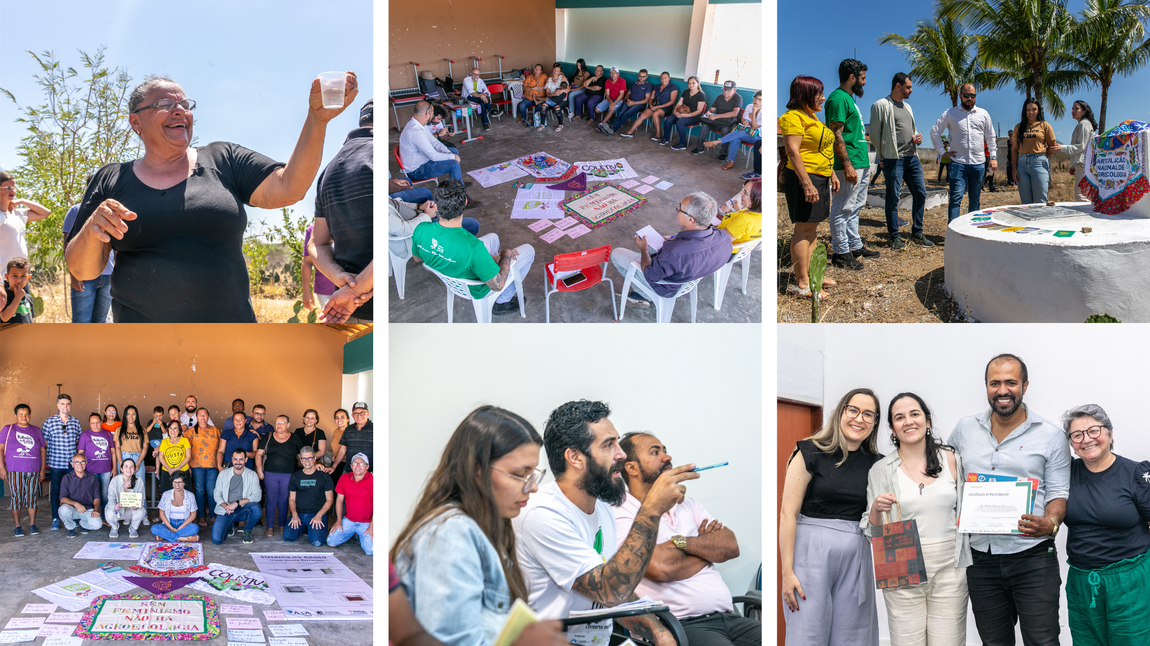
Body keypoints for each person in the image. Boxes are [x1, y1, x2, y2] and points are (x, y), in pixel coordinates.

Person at [64, 72, 358, 322]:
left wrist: (317, 121)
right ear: (135, 122)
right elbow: (82, 269)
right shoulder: (111, 178)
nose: (180, 110)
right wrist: (93, 230)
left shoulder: (223, 159)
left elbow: (289, 188)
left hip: (230, 337)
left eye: (184, 104)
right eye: (165, 104)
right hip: (142, 344)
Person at [513, 398, 698, 646]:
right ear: (575, 458)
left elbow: (618, 588)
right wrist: (652, 509)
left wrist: (658, 631)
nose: (621, 454)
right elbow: (609, 591)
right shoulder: (542, 512)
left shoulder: (603, 507)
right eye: (609, 445)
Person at [391, 406, 555, 646]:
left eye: (534, 474)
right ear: (477, 470)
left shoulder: (489, 526)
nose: (533, 487)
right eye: (520, 474)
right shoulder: (452, 532)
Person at [947, 354, 1069, 646]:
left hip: (1033, 557)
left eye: (1011, 382)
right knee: (994, 642)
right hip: (981, 559)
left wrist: (1051, 523)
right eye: (995, 383)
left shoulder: (1051, 436)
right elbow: (942, 473)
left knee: (1042, 641)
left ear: (1025, 385)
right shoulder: (964, 429)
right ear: (986, 387)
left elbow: (1058, 493)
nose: (1003, 390)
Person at [614, 432, 759, 646]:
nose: (667, 457)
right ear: (632, 468)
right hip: (682, 625)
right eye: (655, 452)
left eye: (665, 449)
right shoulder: (620, 511)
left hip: (730, 618)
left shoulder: (688, 504)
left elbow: (730, 546)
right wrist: (707, 553)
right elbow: (659, 567)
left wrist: (680, 542)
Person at [863, 393, 969, 646]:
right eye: (899, 417)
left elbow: (967, 513)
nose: (908, 421)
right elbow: (871, 530)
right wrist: (877, 509)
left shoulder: (952, 459)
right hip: (902, 560)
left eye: (914, 414)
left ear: (927, 420)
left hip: (950, 565)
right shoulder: (881, 469)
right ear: (892, 428)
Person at [780, 388, 883, 645]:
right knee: (808, 634)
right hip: (810, 555)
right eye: (853, 410)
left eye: (868, 414)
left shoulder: (878, 464)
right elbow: (788, 514)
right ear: (841, 412)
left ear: (875, 423)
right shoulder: (809, 452)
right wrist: (787, 572)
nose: (859, 419)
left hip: (857, 556)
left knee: (855, 636)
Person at [1060, 403, 1150, 644]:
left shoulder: (1136, 474)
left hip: (1130, 582)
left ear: (1109, 433)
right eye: (1077, 435)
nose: (1086, 439)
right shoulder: (1065, 473)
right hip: (1082, 582)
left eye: (1094, 430)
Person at [413, 180, 535, 315]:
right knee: (529, 250)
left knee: (493, 237)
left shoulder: (421, 228)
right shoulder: (472, 246)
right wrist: (506, 254)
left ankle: (487, 265)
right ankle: (502, 302)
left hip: (451, 275)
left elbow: (417, 258)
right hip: (477, 289)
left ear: (436, 206)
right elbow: (498, 285)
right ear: (465, 202)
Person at [309, 101, 375, 325]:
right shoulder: (376, 155)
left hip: (345, 309)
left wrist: (339, 277)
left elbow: (316, 244)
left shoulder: (328, 170)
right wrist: (358, 288)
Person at [611, 192, 732, 309]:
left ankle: (645, 294)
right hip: (689, 278)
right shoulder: (723, 238)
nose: (677, 212)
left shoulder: (675, 252)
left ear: (691, 220)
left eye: (680, 210)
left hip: (666, 286)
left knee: (616, 253)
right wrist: (675, 239)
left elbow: (650, 274)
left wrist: (644, 249)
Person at [781, 75, 839, 299]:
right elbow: (793, 151)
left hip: (820, 177)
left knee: (812, 229)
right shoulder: (793, 117)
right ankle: (803, 283)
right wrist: (806, 183)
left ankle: (813, 273)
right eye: (819, 94)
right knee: (803, 230)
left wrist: (831, 172)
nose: (823, 98)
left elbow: (821, 150)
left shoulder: (813, 118)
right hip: (804, 178)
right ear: (804, 94)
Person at [825, 59, 879, 270]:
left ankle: (854, 245)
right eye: (862, 78)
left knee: (855, 206)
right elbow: (836, 133)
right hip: (849, 163)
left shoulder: (849, 99)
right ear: (851, 77)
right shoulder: (838, 99)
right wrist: (846, 165)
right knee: (842, 207)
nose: (864, 83)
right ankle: (840, 252)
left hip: (861, 161)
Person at [870, 73, 931, 250]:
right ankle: (894, 236)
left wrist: (917, 138)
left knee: (920, 194)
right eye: (908, 87)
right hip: (893, 159)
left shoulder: (908, 107)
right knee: (893, 198)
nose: (911, 90)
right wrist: (882, 156)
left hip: (912, 158)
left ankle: (917, 233)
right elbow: (874, 135)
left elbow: (911, 129)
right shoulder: (880, 105)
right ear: (898, 86)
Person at [929, 83, 997, 223]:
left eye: (972, 96)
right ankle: (953, 232)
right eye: (966, 95)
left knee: (975, 199)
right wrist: (942, 152)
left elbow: (991, 137)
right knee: (955, 199)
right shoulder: (950, 113)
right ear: (960, 96)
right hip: (957, 164)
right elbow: (934, 132)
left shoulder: (983, 114)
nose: (969, 98)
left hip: (978, 164)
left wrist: (993, 156)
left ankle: (972, 231)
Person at [62, 194, 114, 323]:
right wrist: (74, 275)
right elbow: (67, 244)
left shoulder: (111, 212)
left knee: (100, 321)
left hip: (108, 276)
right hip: (83, 277)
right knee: (81, 322)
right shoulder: (76, 210)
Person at [1, 404, 47, 537]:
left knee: (32, 497)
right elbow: (0, 449)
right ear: (16, 415)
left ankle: (32, 524)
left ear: (30, 415)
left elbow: (42, 451)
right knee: (16, 498)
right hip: (15, 470)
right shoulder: (8, 429)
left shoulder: (36, 430)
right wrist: (1, 468)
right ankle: (17, 526)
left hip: (33, 470)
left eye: (26, 414)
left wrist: (42, 469)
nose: (24, 417)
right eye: (20, 414)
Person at [257, 414, 304, 538]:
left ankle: (282, 525)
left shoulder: (295, 438)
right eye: (277, 422)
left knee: (284, 500)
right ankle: (270, 527)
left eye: (282, 423)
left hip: (289, 474)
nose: (279, 425)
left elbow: (302, 455)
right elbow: (258, 454)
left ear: (288, 425)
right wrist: (259, 470)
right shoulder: (268, 436)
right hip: (270, 473)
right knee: (271, 500)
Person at [1010, 98, 1061, 205]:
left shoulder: (1045, 126)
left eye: (1034, 109)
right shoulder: (1018, 127)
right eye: (1028, 110)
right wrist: (1014, 168)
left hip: (1039, 163)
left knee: (1041, 201)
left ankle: (1042, 221)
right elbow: (1014, 149)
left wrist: (1041, 156)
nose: (1031, 112)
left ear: (1038, 111)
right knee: (1026, 202)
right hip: (1021, 165)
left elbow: (1052, 147)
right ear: (1024, 111)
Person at [43, 394, 82, 532]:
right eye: (63, 404)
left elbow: (79, 442)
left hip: (71, 465)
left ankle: (73, 517)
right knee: (56, 491)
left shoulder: (75, 422)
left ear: (70, 405)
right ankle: (55, 518)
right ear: (58, 405)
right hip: (56, 463)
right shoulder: (49, 422)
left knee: (73, 491)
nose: (65, 406)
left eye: (68, 404)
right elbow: (45, 443)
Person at [0, 172, 51, 274]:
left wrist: (23, 201)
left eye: (14, 187)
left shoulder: (17, 213)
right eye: (7, 187)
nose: (12, 191)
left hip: (22, 276)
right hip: (3, 277)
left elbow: (45, 213)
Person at [285, 445, 334, 547]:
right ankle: (305, 527)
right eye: (303, 458)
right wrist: (294, 515)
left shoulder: (324, 476)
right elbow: (291, 499)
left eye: (309, 458)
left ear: (315, 459)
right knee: (288, 537)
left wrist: (319, 515)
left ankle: (310, 528)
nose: (307, 461)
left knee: (317, 542)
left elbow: (330, 499)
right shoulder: (295, 476)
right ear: (300, 459)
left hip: (317, 514)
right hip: (299, 514)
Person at [211, 447, 263, 545]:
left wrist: (237, 503)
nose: (238, 462)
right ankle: (229, 525)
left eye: (241, 459)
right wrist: (225, 506)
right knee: (217, 540)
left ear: (246, 460)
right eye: (235, 459)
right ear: (232, 459)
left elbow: (257, 496)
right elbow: (217, 493)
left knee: (256, 508)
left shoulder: (252, 475)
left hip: (242, 510)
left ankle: (247, 530)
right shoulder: (223, 474)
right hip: (225, 510)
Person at [327, 452, 373, 554]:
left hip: (367, 523)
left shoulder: (374, 480)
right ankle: (353, 533)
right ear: (351, 466)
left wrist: (372, 526)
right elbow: (339, 500)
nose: (357, 466)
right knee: (331, 542)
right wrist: (338, 520)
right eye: (355, 463)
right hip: (349, 520)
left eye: (361, 464)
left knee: (370, 551)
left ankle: (359, 535)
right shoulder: (344, 478)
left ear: (367, 467)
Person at [705, 90, 761, 171]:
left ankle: (718, 142)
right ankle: (731, 162)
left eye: (760, 99)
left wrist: (754, 112)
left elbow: (754, 126)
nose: (756, 101)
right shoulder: (749, 106)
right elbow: (743, 118)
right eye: (755, 98)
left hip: (757, 137)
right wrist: (744, 121)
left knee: (740, 133)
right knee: (736, 138)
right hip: (746, 132)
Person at [186, 407, 221, 527]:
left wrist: (220, 464)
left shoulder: (215, 430)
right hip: (196, 466)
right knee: (200, 491)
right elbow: (185, 449)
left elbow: (221, 448)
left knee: (211, 491)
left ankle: (212, 514)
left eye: (205, 415)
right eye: (200, 415)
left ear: (208, 417)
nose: (202, 417)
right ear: (196, 417)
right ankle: (201, 516)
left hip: (213, 465)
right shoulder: (191, 431)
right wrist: (187, 466)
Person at [691, 81, 744, 160]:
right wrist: (708, 113)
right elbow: (711, 110)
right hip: (717, 121)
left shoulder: (738, 98)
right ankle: (699, 147)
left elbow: (735, 113)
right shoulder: (719, 97)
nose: (726, 92)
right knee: (705, 125)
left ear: (734, 90)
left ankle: (723, 152)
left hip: (729, 122)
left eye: (728, 90)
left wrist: (717, 116)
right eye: (724, 90)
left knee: (725, 130)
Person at [622, 71, 677, 140]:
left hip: (665, 108)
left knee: (655, 114)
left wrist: (658, 107)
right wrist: (651, 105)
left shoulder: (673, 87)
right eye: (662, 78)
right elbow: (651, 98)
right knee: (642, 115)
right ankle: (630, 132)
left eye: (665, 78)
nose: (663, 80)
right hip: (654, 106)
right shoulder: (657, 87)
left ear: (669, 78)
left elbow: (672, 101)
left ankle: (658, 135)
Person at [59, 453, 103, 538]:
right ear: (72, 464)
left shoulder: (92, 478)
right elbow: (62, 498)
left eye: (82, 462)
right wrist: (75, 504)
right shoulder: (66, 478)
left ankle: (83, 524)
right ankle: (70, 527)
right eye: (77, 462)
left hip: (87, 509)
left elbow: (97, 496)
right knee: (63, 510)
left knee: (97, 525)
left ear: (86, 463)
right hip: (72, 509)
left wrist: (96, 509)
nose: (80, 464)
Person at [78, 411, 117, 508]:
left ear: (101, 422)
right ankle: (91, 516)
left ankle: (104, 517)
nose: (95, 425)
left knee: (104, 495)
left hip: (106, 470)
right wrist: (79, 468)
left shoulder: (107, 434)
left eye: (97, 422)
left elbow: (113, 451)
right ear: (89, 423)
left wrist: (114, 468)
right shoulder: (84, 435)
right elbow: (80, 453)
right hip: (90, 470)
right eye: (93, 423)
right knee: (91, 494)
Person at [1062, 100, 1098, 202]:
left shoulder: (1084, 124)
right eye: (1073, 108)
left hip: (1084, 164)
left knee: (1081, 195)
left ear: (1084, 111)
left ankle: (1087, 217)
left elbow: (1081, 146)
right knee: (1084, 193)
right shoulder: (1082, 124)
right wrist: (1073, 166)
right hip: (1082, 164)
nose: (1073, 111)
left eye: (1076, 109)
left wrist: (1061, 148)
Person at [661, 77, 707, 150]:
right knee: (669, 119)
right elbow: (679, 103)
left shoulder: (701, 95)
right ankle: (665, 138)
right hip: (682, 113)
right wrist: (675, 112)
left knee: (680, 122)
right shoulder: (686, 92)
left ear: (697, 83)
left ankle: (683, 144)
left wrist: (686, 115)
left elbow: (699, 111)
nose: (691, 85)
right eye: (689, 83)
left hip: (694, 116)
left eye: (693, 83)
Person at [105, 457, 146, 539]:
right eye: (126, 466)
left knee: (141, 511)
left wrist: (137, 505)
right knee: (109, 514)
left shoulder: (139, 480)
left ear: (135, 469)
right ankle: (114, 527)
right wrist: (114, 506)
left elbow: (141, 498)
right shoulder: (115, 481)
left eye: (131, 467)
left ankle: (133, 528)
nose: (129, 469)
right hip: (118, 510)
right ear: (121, 469)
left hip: (130, 510)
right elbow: (111, 499)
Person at [152, 472, 199, 542]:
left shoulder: (190, 496)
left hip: (184, 524)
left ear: (184, 483)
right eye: (175, 482)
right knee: (154, 528)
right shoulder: (166, 494)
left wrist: (181, 527)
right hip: (169, 523)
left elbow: (193, 515)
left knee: (195, 528)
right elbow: (161, 514)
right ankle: (183, 538)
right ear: (172, 483)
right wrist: (170, 528)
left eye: (180, 482)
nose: (177, 485)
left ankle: (166, 536)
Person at [603, 69, 652, 136]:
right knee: (621, 112)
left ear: (646, 76)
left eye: (643, 76)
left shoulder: (648, 85)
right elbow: (628, 94)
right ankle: (611, 126)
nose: (641, 78)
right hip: (629, 102)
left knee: (626, 114)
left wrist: (633, 103)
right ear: (638, 75)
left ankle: (613, 130)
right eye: (640, 76)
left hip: (639, 105)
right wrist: (628, 99)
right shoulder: (634, 83)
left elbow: (646, 100)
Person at [301, 222, 337, 311]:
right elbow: (307, 261)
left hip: (354, 288)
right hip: (325, 290)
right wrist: (305, 291)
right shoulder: (312, 229)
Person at [716, 179, 762, 247]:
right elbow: (744, 229)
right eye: (743, 189)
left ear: (757, 199)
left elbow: (719, 241)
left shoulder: (744, 220)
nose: (740, 194)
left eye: (745, 192)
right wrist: (738, 211)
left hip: (725, 249)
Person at [332, 402, 373, 477]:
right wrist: (333, 467)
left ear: (368, 414)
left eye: (362, 413)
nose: (359, 416)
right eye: (356, 413)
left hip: (369, 473)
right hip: (349, 471)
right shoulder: (348, 429)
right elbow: (342, 450)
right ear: (352, 416)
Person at [156, 419, 191, 496]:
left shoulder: (185, 440)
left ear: (179, 430)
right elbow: (161, 457)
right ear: (168, 430)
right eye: (170, 428)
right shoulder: (164, 442)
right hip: (167, 472)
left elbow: (188, 456)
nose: (172, 430)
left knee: (185, 496)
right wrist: (169, 469)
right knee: (166, 496)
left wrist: (177, 468)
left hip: (183, 472)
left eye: (175, 428)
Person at [1, 257, 33, 323]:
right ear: (7, 277)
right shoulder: (4, 297)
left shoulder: (28, 298)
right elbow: (4, 317)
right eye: (14, 276)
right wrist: (18, 297)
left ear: (28, 278)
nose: (18, 280)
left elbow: (31, 319)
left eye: (23, 276)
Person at [115, 405, 145, 469]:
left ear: (136, 415)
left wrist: (138, 463)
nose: (131, 416)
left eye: (133, 414)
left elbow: (145, 447)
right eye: (128, 414)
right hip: (123, 457)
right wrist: (120, 463)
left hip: (138, 458)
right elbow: (117, 447)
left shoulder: (142, 429)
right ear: (125, 415)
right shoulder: (119, 429)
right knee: (123, 479)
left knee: (139, 479)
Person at [541, 67, 570, 132]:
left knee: (557, 108)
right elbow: (548, 93)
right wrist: (553, 94)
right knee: (543, 106)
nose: (555, 71)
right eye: (554, 69)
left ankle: (560, 125)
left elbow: (568, 89)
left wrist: (562, 91)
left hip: (561, 100)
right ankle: (542, 124)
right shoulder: (549, 80)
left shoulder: (562, 78)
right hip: (552, 99)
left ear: (559, 72)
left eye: (557, 71)